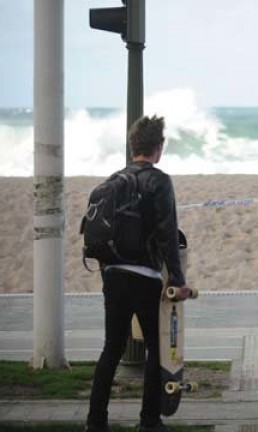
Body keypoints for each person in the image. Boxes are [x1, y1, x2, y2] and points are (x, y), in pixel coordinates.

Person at [86, 116, 189, 432]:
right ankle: (148, 420)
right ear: (158, 148)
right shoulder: (159, 181)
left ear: (133, 147)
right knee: (156, 349)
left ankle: (96, 422)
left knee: (112, 348)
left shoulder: (114, 181)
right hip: (144, 277)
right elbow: (167, 233)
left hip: (113, 275)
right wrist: (177, 278)